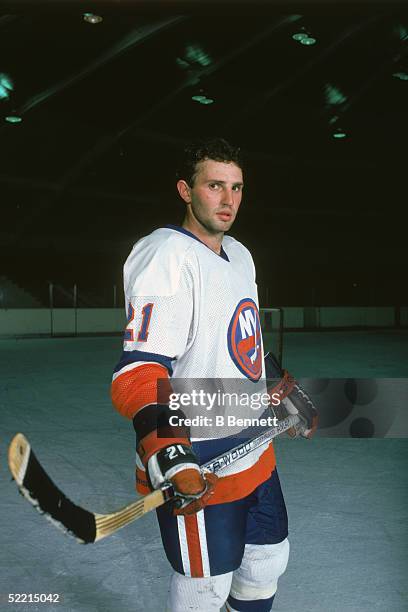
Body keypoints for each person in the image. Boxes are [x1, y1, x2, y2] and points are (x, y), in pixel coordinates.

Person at [111, 137, 292, 612]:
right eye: (214, 185)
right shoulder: (166, 253)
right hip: (201, 454)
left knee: (266, 563)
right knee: (204, 590)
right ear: (185, 191)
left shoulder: (240, 254)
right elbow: (139, 371)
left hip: (254, 446)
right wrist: (168, 449)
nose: (228, 199)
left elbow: (236, 343)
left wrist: (270, 383)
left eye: (236, 187)